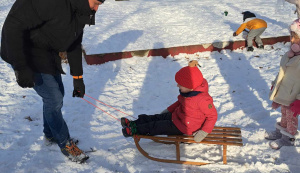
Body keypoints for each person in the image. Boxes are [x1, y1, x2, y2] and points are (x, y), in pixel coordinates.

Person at [0, 0, 105, 163]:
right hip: (22, 51)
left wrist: (78, 78)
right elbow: (13, 26)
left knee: (57, 95)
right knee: (53, 98)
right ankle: (64, 142)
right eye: (96, 3)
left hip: (44, 51)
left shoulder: (80, 12)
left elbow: (74, 43)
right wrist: (21, 67)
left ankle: (50, 135)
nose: (96, 9)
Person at [121, 60, 218, 142]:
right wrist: (169, 110)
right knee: (157, 118)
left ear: (191, 87)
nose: (178, 86)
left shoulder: (203, 100)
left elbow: (212, 116)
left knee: (157, 126)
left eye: (180, 84)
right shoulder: (188, 93)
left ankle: (135, 130)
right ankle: (135, 123)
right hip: (177, 116)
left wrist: (204, 132)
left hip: (185, 127)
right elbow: (179, 102)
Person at [265, 19, 300, 149]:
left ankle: (288, 138)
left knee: (291, 118)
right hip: (284, 93)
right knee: (284, 114)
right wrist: (275, 87)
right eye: (291, 36)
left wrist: (299, 101)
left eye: (295, 38)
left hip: (294, 97)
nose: (291, 40)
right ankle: (281, 132)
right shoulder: (289, 54)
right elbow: (281, 73)